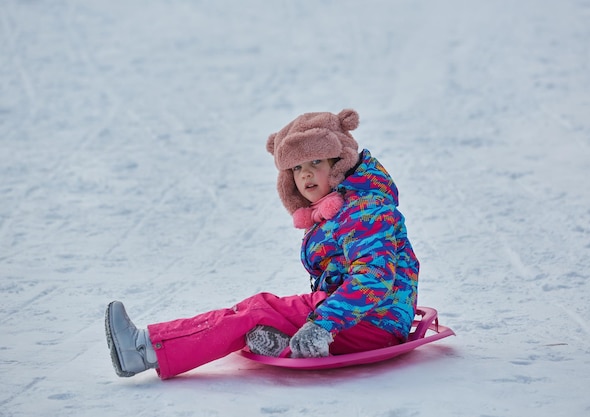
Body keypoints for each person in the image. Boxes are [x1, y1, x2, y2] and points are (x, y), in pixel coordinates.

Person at [105, 109, 420, 380]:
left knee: (258, 310)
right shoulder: (338, 212)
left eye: (315, 161)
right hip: (360, 319)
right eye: (297, 167)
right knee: (258, 314)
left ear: (340, 163)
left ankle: (144, 349)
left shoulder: (365, 210)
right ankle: (284, 343)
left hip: (374, 320)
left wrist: (324, 324)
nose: (306, 173)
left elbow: (374, 277)